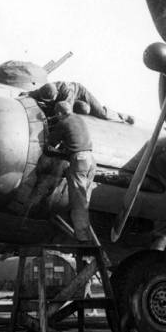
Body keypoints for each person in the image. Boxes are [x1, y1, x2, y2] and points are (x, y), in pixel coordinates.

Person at [45, 100, 96, 241]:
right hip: (91, 160)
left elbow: (50, 144)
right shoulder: (79, 118)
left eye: (57, 115)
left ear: (60, 113)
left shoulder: (63, 122)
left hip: (79, 160)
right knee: (84, 200)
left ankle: (83, 239)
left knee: (78, 203)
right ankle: (86, 234)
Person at [22, 81, 134, 124]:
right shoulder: (47, 89)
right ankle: (84, 107)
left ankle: (122, 116)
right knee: (84, 109)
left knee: (101, 113)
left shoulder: (67, 92)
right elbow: (35, 93)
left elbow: (66, 112)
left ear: (56, 94)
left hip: (80, 93)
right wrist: (26, 94)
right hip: (72, 99)